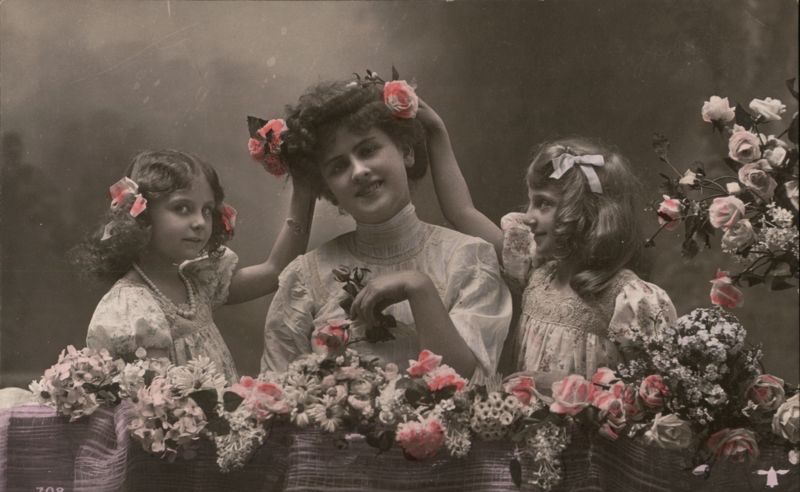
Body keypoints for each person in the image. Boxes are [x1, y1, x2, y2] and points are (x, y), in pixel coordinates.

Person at [259, 77, 512, 382]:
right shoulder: (304, 278)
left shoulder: (469, 259)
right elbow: (276, 399)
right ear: (328, 190)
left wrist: (417, 287)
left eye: (367, 150)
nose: (359, 171)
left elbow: (462, 384)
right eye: (338, 167)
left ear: (406, 151)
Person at [417, 102, 676, 381]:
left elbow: (657, 393)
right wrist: (436, 131)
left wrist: (570, 389)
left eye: (543, 203)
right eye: (531, 201)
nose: (528, 216)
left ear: (586, 213)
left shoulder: (630, 298)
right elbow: (461, 212)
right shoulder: (536, 271)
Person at [73, 149, 315, 384]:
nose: (200, 222)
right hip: (180, 422)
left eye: (207, 210)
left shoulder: (196, 280)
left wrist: (304, 194)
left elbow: (274, 271)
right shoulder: (130, 306)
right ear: (141, 215)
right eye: (182, 208)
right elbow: (158, 405)